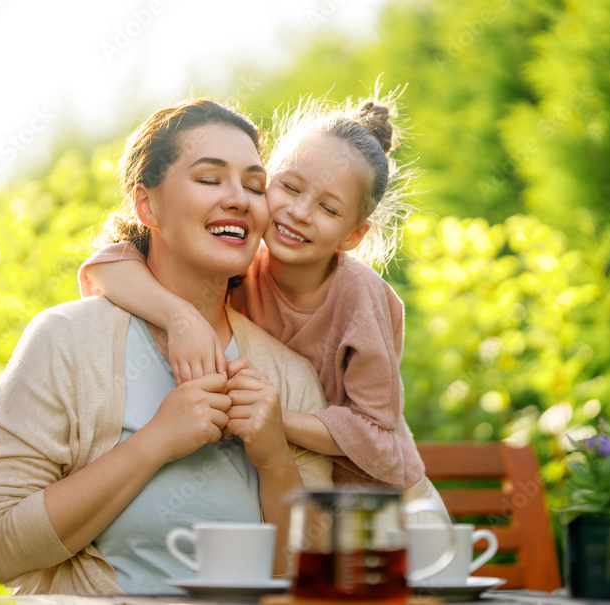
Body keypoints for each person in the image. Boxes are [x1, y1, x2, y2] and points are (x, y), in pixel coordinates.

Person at [0, 98, 332, 596]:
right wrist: (156, 442)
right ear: (147, 205)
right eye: (209, 179)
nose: (240, 199)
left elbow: (316, 581)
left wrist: (273, 458)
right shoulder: (66, 341)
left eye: (254, 185)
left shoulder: (288, 375)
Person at [79, 94, 450, 521]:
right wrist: (179, 318)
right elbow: (107, 266)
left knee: (426, 591)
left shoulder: (359, 297)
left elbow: (379, 440)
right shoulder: (241, 261)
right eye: (289, 187)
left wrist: (275, 420)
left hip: (389, 508)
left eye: (328, 208)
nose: (299, 212)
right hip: (305, 492)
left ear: (352, 236)